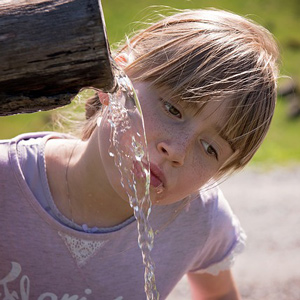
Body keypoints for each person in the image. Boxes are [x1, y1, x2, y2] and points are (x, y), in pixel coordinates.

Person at [0, 8, 278, 300]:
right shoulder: (7, 181)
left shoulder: (197, 217)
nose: (177, 151)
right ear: (115, 80)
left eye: (210, 148)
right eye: (173, 109)